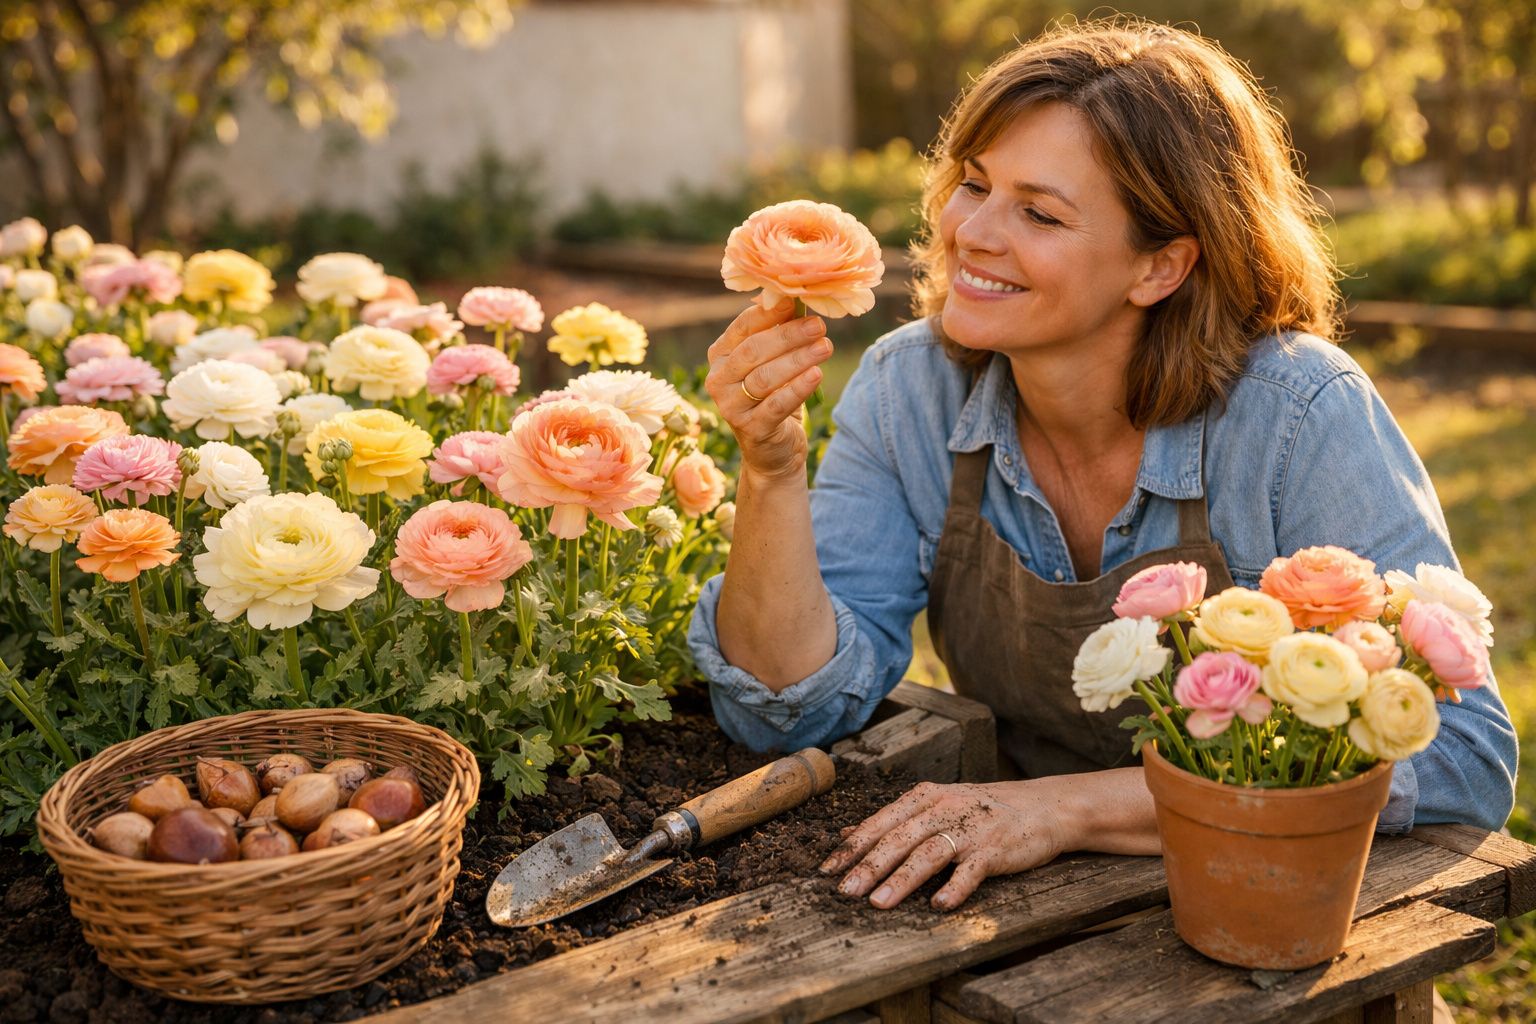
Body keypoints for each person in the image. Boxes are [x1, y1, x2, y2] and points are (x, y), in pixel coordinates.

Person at [687, 18, 1518, 914]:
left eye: (1039, 213)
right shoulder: (911, 388)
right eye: (974, 184)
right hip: (1012, 896)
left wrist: (1072, 809)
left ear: (1161, 266)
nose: (972, 232)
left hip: (1262, 905)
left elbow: (1461, 753)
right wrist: (770, 470)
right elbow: (787, 711)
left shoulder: (1297, 413)